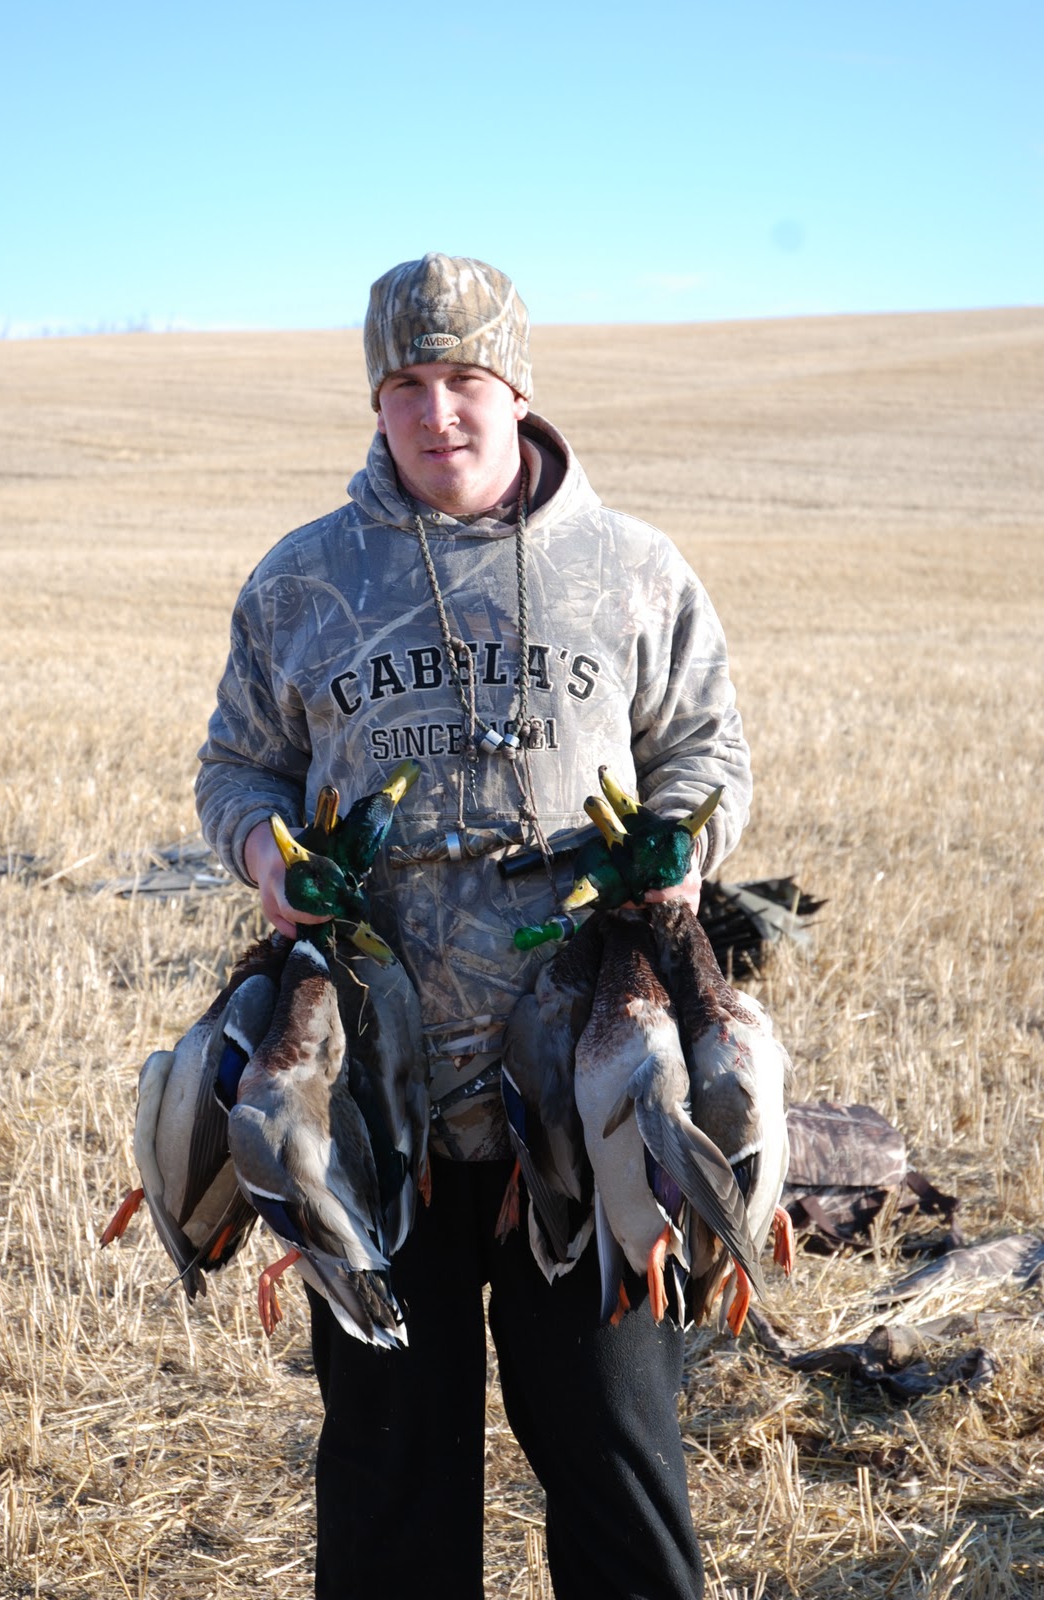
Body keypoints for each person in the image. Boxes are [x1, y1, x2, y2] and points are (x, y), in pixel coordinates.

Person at [196, 253, 752, 1600]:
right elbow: (237, 768)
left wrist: (686, 839)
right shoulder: (302, 582)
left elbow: (708, 752)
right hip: (370, 1096)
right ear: (376, 402)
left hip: (593, 1091)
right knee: (390, 1471)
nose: (438, 414)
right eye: (406, 387)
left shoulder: (628, 568)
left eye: (464, 382)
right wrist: (270, 857)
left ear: (516, 388)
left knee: (618, 1455)